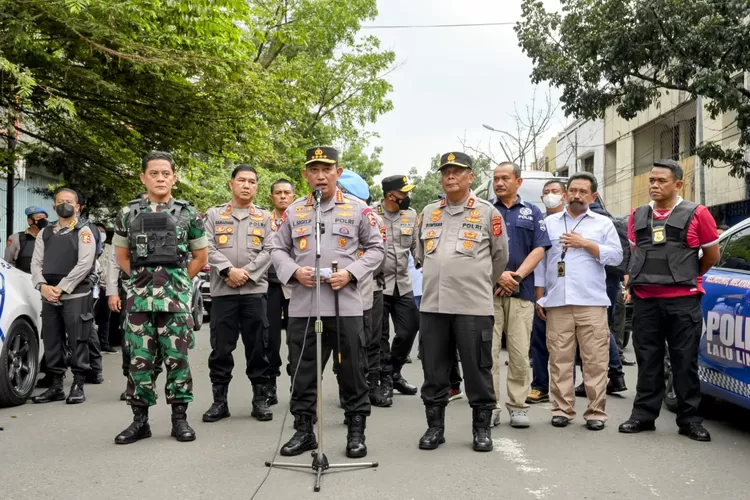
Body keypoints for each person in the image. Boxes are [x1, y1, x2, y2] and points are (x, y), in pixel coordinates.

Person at [269, 146, 385, 458]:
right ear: (306, 174)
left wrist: (351, 272)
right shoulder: (294, 211)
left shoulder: (359, 209)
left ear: (338, 172)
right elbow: (277, 249)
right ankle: (304, 430)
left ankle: (356, 430)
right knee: (303, 371)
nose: (320, 175)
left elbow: (376, 248)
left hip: (345, 304)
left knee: (352, 370)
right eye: (314, 169)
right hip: (305, 305)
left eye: (327, 169)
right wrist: (294, 272)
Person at [619, 159, 719, 442]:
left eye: (661, 181)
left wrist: (686, 276)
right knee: (647, 359)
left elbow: (712, 257)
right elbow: (637, 254)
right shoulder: (637, 215)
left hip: (682, 301)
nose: (654, 185)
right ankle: (643, 416)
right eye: (651, 180)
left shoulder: (698, 213)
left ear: (677, 184)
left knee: (684, 361)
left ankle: (690, 421)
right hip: (646, 300)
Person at [113, 151, 208, 445]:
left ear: (174, 178)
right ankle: (139, 421)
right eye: (154, 173)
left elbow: (201, 257)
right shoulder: (127, 214)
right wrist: (144, 281)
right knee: (139, 362)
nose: (160, 178)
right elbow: (122, 257)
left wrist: (175, 282)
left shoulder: (188, 214)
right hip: (140, 301)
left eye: (166, 173)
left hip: (175, 301)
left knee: (177, 360)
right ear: (143, 177)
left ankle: (179, 420)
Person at [416, 151, 509, 452]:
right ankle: (435, 428)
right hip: (433, 306)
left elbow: (500, 257)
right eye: (446, 172)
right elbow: (420, 254)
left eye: (457, 171)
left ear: (471, 176)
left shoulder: (487, 213)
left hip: (472, 305)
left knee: (477, 369)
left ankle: (481, 429)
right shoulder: (428, 212)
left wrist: (478, 281)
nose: (450, 176)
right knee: (434, 370)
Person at [536, 172, 622, 431]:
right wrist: (540, 298)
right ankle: (562, 409)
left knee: (595, 360)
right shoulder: (549, 224)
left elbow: (617, 257)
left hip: (592, 302)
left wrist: (586, 244)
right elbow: (541, 262)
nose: (576, 195)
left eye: (583, 192)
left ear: (593, 196)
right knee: (559, 359)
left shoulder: (602, 224)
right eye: (572, 190)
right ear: (565, 194)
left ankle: (596, 412)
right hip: (558, 302)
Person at [202, 165, 275, 423]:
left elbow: (270, 249)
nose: (247, 185)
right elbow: (206, 247)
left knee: (258, 348)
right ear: (231, 183)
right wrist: (228, 270)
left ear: (256, 187)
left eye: (252, 182)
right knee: (221, 349)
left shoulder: (265, 217)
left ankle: (260, 400)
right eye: (241, 180)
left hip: (254, 292)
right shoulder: (213, 215)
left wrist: (247, 273)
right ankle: (219, 402)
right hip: (223, 293)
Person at [490, 162, 550, 428]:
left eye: (505, 178)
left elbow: (539, 249)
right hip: (487, 292)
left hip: (521, 292)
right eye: (496, 178)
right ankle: (489, 406)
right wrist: (498, 275)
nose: (499, 183)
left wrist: (515, 277)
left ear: (518, 182)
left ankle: (518, 406)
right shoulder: (485, 211)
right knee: (488, 353)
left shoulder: (532, 212)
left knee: (518, 352)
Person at [29, 189, 98, 405]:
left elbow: (85, 264)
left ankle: (78, 384)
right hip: (49, 294)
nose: (64, 205)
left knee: (78, 339)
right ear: (53, 207)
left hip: (75, 293)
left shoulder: (84, 231)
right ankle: (56, 385)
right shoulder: (46, 233)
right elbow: (36, 263)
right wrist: (41, 286)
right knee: (51, 340)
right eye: (60, 202)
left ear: (78, 207)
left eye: (69, 202)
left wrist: (63, 286)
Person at [335, 169, 391, 409]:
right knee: (342, 344)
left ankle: (370, 385)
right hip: (332, 289)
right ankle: (346, 388)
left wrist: (354, 274)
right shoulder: (324, 216)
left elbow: (380, 255)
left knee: (368, 340)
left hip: (366, 288)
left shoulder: (371, 218)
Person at [573, 197, 629, 396]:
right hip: (612, 280)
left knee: (594, 330)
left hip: (597, 280)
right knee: (601, 329)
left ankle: (612, 374)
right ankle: (615, 375)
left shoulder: (595, 221)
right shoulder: (613, 219)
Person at [374, 175, 420, 401]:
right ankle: (384, 380)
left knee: (409, 329)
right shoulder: (371, 214)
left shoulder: (410, 215)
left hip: (403, 283)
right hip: (377, 285)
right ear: (390, 195)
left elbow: (415, 246)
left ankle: (395, 372)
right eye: (403, 193)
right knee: (380, 335)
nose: (407, 197)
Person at [528, 180, 567, 404]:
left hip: (575, 296)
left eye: (555, 192)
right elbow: (540, 262)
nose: (550, 196)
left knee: (567, 349)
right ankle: (540, 386)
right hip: (547, 292)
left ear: (564, 196)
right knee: (540, 342)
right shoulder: (543, 223)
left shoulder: (584, 222)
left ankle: (565, 393)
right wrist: (539, 296)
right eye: (546, 192)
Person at [267, 178, 294, 404]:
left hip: (296, 286)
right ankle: (269, 388)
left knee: (297, 338)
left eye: (287, 193)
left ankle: (300, 388)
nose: (283, 196)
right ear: (272, 197)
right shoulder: (263, 220)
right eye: (278, 193)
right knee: (269, 339)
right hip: (269, 285)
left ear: (293, 196)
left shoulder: (301, 218)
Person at [93, 222, 117, 354]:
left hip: (106, 288)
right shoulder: (87, 246)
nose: (101, 234)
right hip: (92, 288)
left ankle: (104, 343)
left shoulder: (109, 248)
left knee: (105, 318)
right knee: (90, 317)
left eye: (103, 232)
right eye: (98, 231)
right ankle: (92, 345)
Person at [5, 206, 49, 273]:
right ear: (30, 221)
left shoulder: (51, 237)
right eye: (39, 218)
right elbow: (8, 263)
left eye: (44, 218)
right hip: (23, 279)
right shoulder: (16, 238)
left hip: (46, 280)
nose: (43, 220)